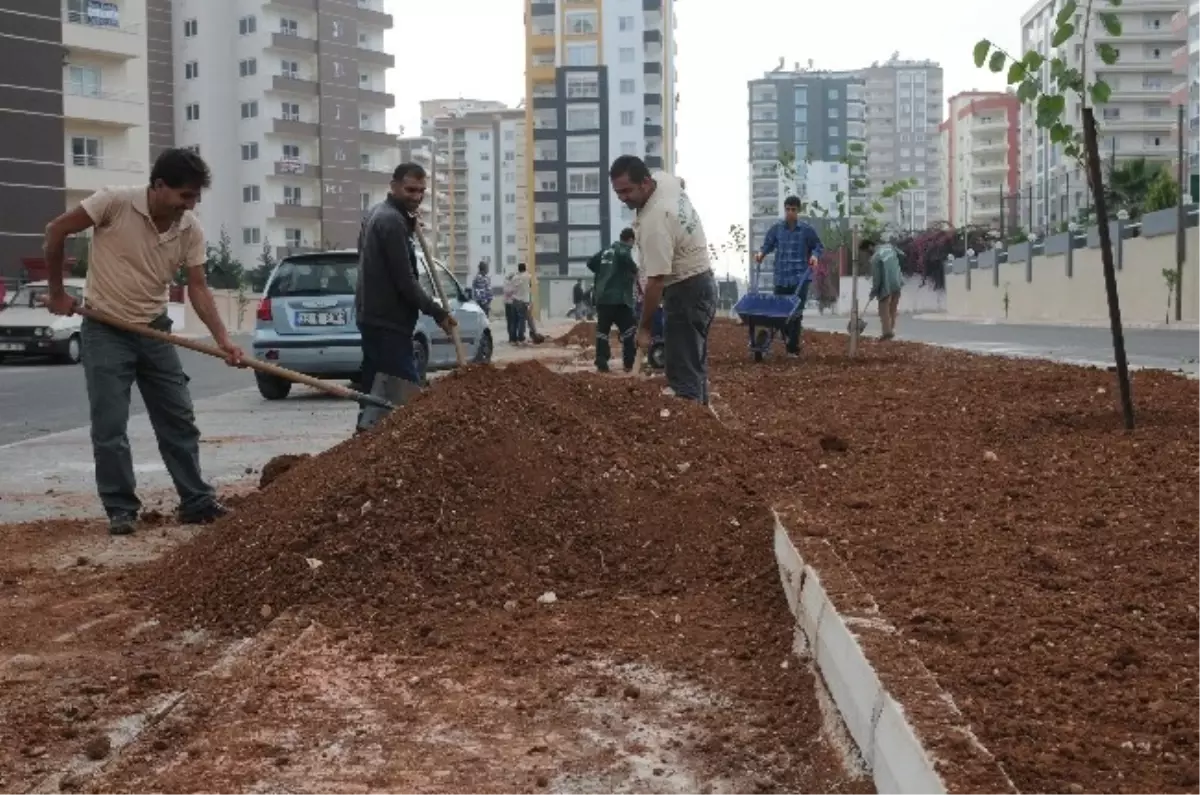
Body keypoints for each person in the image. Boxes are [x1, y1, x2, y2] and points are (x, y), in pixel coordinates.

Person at [40, 148, 243, 536]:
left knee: (178, 419)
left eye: (196, 196)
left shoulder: (189, 228)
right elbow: (56, 231)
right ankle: (121, 508)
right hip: (105, 330)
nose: (191, 204)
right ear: (159, 186)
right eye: (185, 195)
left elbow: (197, 287)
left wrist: (223, 340)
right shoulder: (113, 203)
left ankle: (196, 502)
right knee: (110, 426)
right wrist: (57, 291)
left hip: (154, 331)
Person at [355, 162, 457, 432]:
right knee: (405, 394)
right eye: (410, 189)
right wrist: (438, 312)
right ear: (394, 186)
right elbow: (405, 281)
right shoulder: (391, 221)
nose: (417, 196)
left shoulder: (378, 214)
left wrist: (409, 227)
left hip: (371, 316)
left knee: (375, 393)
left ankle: (364, 443)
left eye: (422, 191)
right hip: (389, 322)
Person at [609, 155, 717, 404]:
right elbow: (681, 182)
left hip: (686, 291)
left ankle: (692, 428)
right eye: (618, 192)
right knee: (694, 365)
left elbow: (655, 283)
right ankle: (703, 423)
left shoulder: (654, 223)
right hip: (703, 284)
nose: (623, 198)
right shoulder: (664, 181)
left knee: (682, 373)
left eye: (627, 191)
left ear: (645, 183)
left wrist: (644, 327)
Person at [754, 195, 824, 356]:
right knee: (780, 314)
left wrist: (814, 256)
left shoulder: (806, 230)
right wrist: (761, 254)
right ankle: (787, 338)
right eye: (787, 209)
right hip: (781, 278)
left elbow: (818, 246)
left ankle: (793, 348)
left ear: (798, 211)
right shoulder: (777, 229)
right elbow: (767, 245)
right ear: (784, 209)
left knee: (796, 314)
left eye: (793, 209)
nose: (790, 212)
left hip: (800, 278)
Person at [587, 228, 639, 373]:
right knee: (629, 330)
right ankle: (629, 362)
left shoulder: (605, 251)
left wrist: (602, 274)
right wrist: (635, 270)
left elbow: (590, 263)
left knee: (602, 331)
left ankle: (601, 361)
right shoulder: (623, 249)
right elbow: (626, 259)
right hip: (619, 299)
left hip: (602, 298)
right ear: (630, 240)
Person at [860, 238, 904, 340]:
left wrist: (873, 292)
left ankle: (887, 333)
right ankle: (891, 331)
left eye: (866, 251)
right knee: (892, 310)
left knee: (883, 310)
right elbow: (902, 254)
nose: (867, 254)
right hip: (897, 282)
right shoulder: (889, 247)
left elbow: (877, 279)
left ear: (870, 247)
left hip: (887, 286)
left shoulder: (875, 258)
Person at [509, 262, 532, 343]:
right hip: (523, 301)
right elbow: (530, 286)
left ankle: (513, 338)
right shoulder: (528, 276)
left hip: (514, 300)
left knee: (514, 321)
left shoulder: (514, 277)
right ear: (525, 268)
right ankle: (521, 337)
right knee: (521, 321)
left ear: (518, 269)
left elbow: (511, 289)